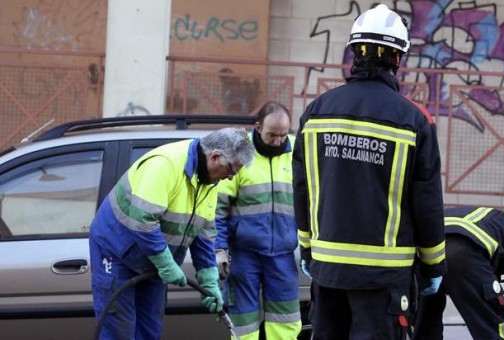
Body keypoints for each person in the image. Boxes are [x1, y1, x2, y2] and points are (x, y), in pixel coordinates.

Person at [292, 4, 447, 339]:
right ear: (397, 58)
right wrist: (434, 265)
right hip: (383, 279)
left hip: (327, 270)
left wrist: (307, 249)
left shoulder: (316, 112)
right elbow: (427, 201)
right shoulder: (414, 120)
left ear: (354, 52)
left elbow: (302, 187)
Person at [89, 127, 254, 339]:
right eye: (231, 171)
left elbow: (203, 231)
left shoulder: (210, 181)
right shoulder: (164, 165)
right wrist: (167, 264)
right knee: (119, 330)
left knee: (150, 330)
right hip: (116, 250)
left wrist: (209, 279)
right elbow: (142, 220)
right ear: (214, 157)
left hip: (154, 258)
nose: (230, 178)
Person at [215, 101, 302, 339]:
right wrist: (219, 249)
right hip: (245, 256)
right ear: (257, 126)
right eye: (272, 134)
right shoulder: (239, 154)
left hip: (283, 257)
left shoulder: (297, 151)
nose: (278, 140)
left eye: (283, 134)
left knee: (285, 325)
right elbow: (218, 208)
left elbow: (311, 200)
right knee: (244, 327)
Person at [413, 206, 504, 340]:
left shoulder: (482, 220)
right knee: (494, 332)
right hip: (464, 254)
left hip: (424, 256)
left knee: (423, 330)